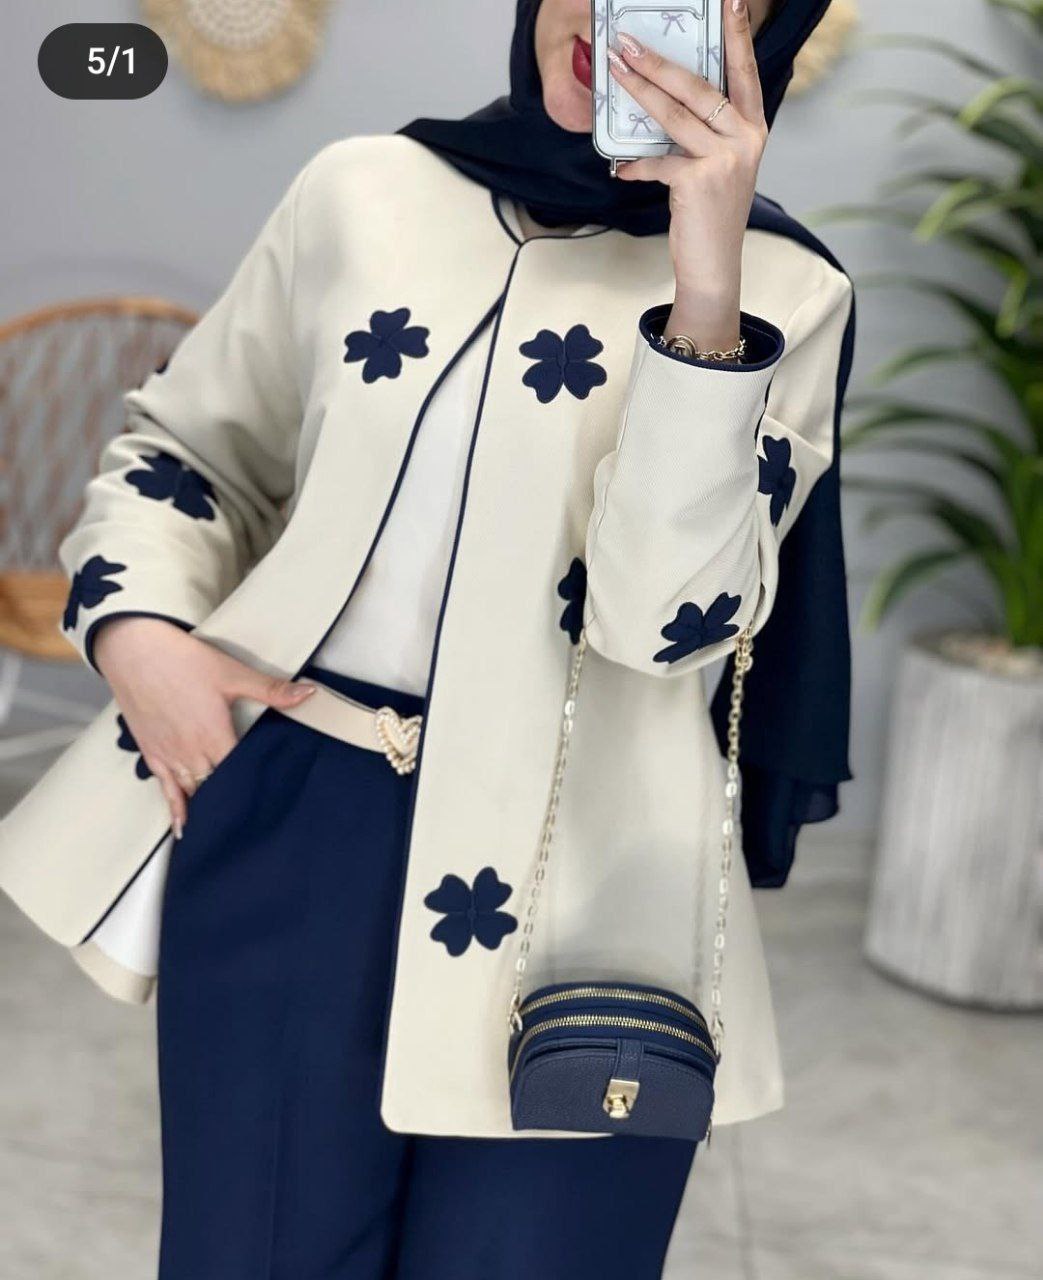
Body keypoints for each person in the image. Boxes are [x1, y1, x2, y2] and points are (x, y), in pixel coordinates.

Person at [0, 0, 856, 1276]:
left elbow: (661, 623)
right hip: (296, 819)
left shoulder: (785, 292)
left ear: (753, 27)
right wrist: (138, 634)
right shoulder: (364, 191)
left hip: (589, 895)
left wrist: (705, 287)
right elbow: (187, 449)